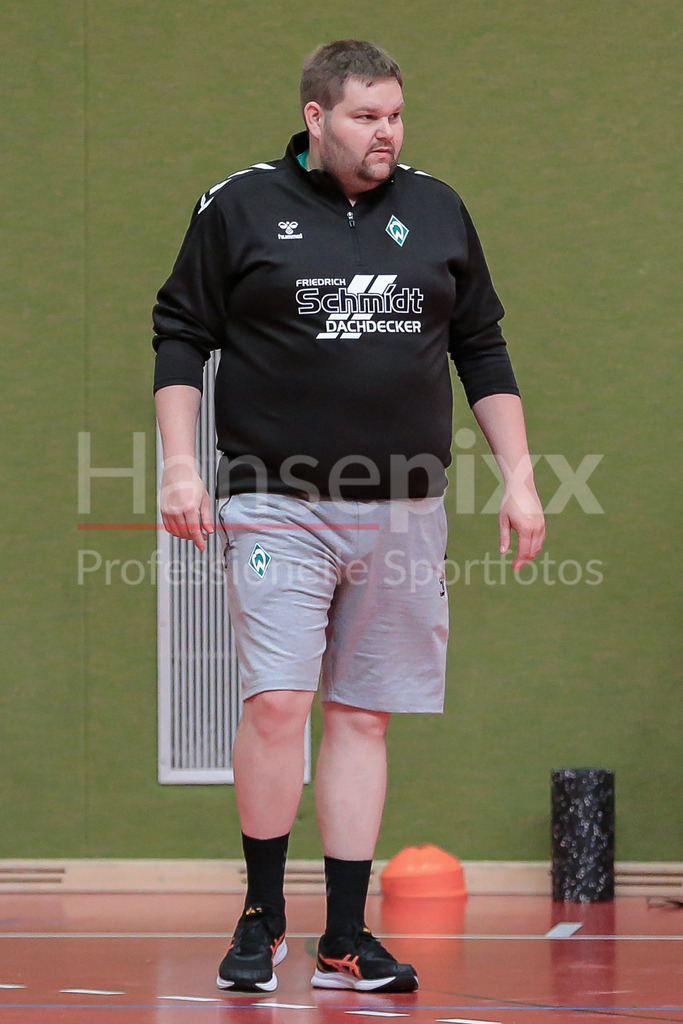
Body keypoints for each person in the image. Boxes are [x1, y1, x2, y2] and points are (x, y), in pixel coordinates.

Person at [152, 39, 545, 995]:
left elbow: (480, 348)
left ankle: (342, 938)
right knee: (279, 700)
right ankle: (260, 915)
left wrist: (521, 479)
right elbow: (180, 334)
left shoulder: (437, 207)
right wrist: (178, 470)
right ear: (316, 117)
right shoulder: (239, 204)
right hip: (273, 499)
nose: (386, 134)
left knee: (362, 717)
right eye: (366, 117)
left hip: (403, 506)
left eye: (396, 116)